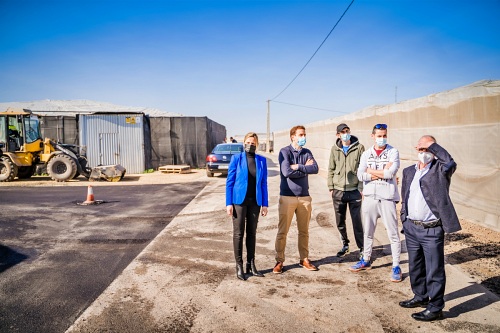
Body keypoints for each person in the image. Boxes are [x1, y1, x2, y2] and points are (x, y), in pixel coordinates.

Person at [399, 135, 461, 321]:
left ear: (434, 152)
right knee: (415, 266)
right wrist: (404, 218)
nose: (424, 153)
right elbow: (405, 195)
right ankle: (420, 296)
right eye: (421, 149)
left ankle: (435, 308)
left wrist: (432, 145)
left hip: (431, 230)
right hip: (411, 227)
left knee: (434, 269)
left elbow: (450, 162)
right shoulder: (409, 171)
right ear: (416, 149)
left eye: (428, 150)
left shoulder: (441, 170)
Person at [350, 124, 402, 283]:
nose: (382, 138)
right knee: (368, 232)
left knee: (393, 233)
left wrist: (370, 171)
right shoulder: (366, 153)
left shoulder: (393, 152)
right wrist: (378, 173)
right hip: (370, 197)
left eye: (384, 135)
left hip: (387, 198)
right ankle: (365, 260)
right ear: (372, 136)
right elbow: (360, 175)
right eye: (379, 135)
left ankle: (396, 266)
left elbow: (390, 173)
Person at [273, 125, 319, 274]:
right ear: (293, 136)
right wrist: (304, 169)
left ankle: (304, 259)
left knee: (304, 231)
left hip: (304, 197)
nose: (303, 137)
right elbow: (286, 172)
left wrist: (298, 166)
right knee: (283, 231)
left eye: (304, 134)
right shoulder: (284, 152)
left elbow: (315, 168)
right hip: (287, 196)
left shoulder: (307, 152)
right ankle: (279, 261)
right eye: (300, 134)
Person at [226, 132, 269, 281]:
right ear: (244, 143)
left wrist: (265, 204)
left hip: (255, 202)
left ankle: (251, 264)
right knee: (239, 233)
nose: (250, 144)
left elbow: (263, 183)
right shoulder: (236, 159)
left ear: (257, 144)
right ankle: (239, 265)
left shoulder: (262, 160)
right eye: (248, 142)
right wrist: (228, 203)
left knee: (252, 233)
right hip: (239, 201)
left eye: (253, 142)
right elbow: (229, 182)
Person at [327, 123, 365, 258]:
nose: (345, 133)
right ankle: (345, 244)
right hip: (338, 190)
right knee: (340, 221)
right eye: (342, 132)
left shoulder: (359, 148)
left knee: (357, 221)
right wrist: (331, 187)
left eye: (347, 131)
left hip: (354, 190)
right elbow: (331, 168)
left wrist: (361, 188)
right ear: (338, 135)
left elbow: (363, 168)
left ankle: (362, 248)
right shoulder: (334, 149)